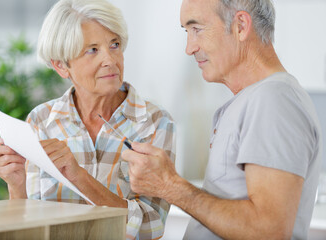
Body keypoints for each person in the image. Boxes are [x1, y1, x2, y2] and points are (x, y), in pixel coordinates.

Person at [122, 0, 322, 239]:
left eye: (197, 30)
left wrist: (169, 185)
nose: (189, 48)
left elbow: (269, 231)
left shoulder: (273, 99)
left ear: (240, 26)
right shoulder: (252, 100)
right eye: (186, 32)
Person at [0, 0, 176, 239]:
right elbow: (30, 227)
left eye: (114, 45)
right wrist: (16, 184)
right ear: (62, 66)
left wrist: (78, 175)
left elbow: (151, 227)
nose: (110, 60)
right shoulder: (41, 120)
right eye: (92, 50)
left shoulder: (154, 122)